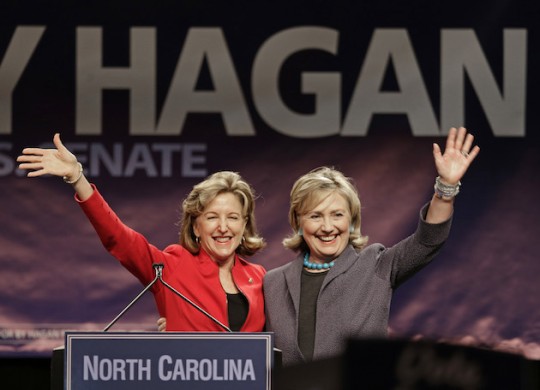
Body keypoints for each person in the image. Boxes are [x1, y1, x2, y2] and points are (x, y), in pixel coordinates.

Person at [263, 127, 480, 366]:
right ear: (298, 222)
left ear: (351, 219)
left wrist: (446, 190)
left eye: (337, 215)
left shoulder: (377, 266)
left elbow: (428, 240)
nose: (327, 226)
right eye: (315, 216)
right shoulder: (273, 283)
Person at [17, 134, 266, 332]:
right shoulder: (172, 266)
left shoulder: (260, 277)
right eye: (212, 217)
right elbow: (119, 238)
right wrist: (77, 178)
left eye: (233, 218)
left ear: (244, 225)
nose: (223, 227)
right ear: (195, 226)